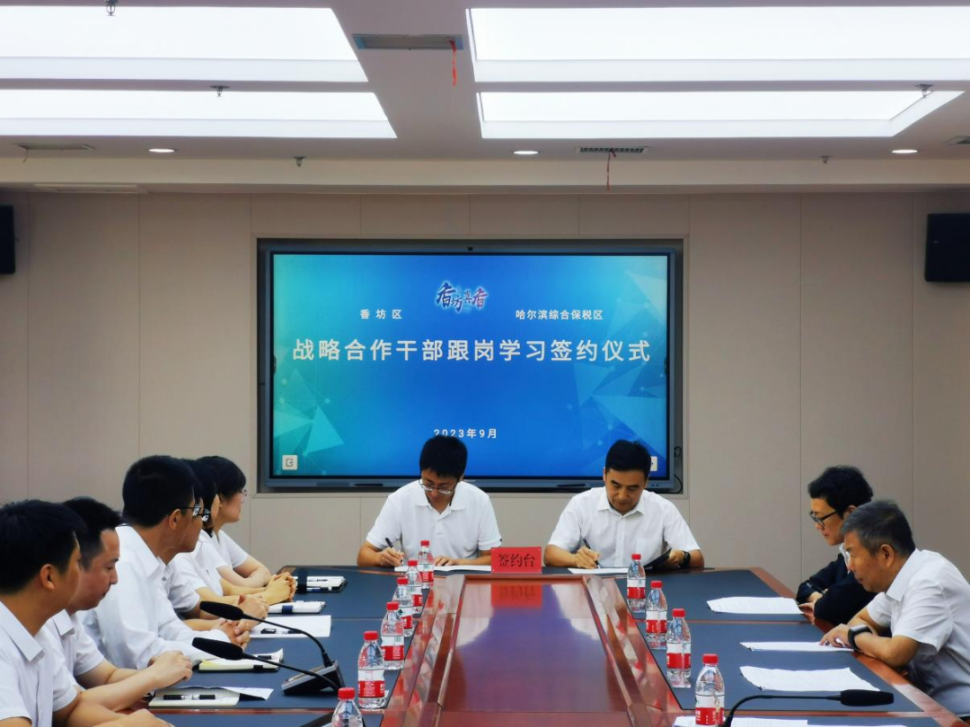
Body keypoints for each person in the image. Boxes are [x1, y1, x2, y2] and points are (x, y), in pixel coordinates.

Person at [0, 499, 165, 727]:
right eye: (77, 562)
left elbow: (71, 710)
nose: (81, 572)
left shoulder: (38, 632)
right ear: (49, 577)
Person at [82, 455, 240, 669]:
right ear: (175, 519)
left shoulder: (150, 558)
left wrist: (219, 641)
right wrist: (220, 642)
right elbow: (138, 655)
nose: (201, 522)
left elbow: (170, 630)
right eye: (196, 512)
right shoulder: (123, 562)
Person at [821, 501, 970, 719]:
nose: (849, 566)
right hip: (927, 705)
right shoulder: (903, 575)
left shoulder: (929, 581)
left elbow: (896, 653)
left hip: (960, 716)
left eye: (853, 554)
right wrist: (865, 639)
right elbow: (861, 620)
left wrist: (854, 637)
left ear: (886, 554)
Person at [41, 497, 192, 711]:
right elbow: (72, 707)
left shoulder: (68, 616)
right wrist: (151, 677)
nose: (115, 579)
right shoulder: (40, 625)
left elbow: (107, 676)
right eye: (109, 568)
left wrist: (160, 673)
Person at [544, 440, 703, 569]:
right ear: (604, 475)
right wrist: (576, 559)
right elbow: (551, 554)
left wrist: (682, 556)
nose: (622, 496)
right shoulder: (581, 504)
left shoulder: (663, 509)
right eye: (616, 485)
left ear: (646, 482)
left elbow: (697, 557)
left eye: (632, 488)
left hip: (644, 590)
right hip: (593, 590)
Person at [357, 436, 502, 568]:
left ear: (460, 477)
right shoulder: (400, 499)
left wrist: (459, 563)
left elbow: (493, 558)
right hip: (414, 583)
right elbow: (363, 555)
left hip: (463, 582)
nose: (434, 493)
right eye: (428, 483)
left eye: (443, 487)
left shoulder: (479, 500)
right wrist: (380, 558)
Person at [796, 466, 875, 624]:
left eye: (821, 518)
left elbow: (830, 608)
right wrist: (822, 597)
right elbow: (805, 587)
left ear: (850, 513)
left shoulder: (871, 558)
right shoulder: (845, 556)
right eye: (814, 517)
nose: (817, 526)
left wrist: (826, 599)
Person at [199, 456, 288, 592]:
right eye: (240, 491)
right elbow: (238, 587)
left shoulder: (218, 535)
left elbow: (263, 571)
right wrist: (269, 587)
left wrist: (258, 583)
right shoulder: (199, 539)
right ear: (219, 498)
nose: (242, 499)